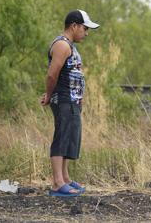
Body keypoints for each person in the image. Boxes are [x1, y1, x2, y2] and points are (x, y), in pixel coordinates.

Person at [40, 10, 99, 197]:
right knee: (62, 137)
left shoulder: (70, 46)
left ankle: (65, 178)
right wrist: (49, 95)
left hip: (72, 100)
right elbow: (52, 73)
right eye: (84, 28)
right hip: (64, 98)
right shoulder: (61, 45)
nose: (86, 33)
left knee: (70, 137)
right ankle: (57, 184)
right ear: (74, 26)